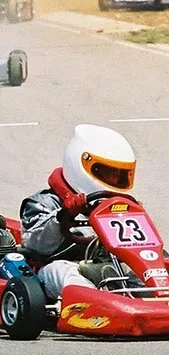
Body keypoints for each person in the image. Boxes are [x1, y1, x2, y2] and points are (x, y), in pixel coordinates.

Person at [20, 124, 137, 300]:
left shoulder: (117, 206)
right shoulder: (45, 202)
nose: (114, 180)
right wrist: (62, 217)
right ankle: (95, 303)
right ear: (79, 165)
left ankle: (156, 298)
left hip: (109, 267)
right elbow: (35, 244)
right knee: (62, 271)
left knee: (149, 269)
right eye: (108, 174)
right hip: (57, 267)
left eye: (119, 175)